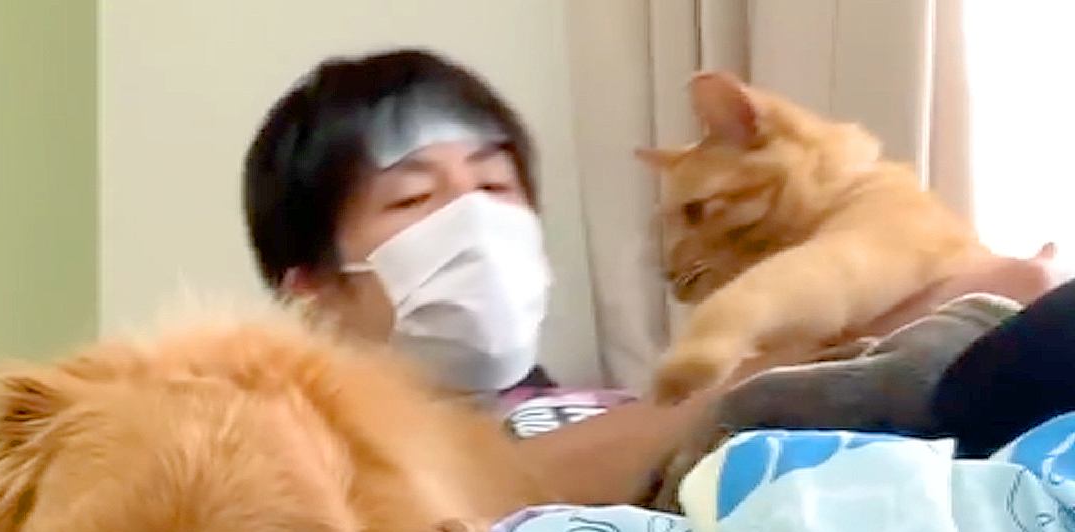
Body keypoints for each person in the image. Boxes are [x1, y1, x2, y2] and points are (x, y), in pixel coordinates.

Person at [242, 48, 1060, 507]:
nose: (476, 222)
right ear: (311, 290)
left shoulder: (606, 403)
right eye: (414, 198)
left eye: (494, 186)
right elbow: (483, 500)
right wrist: (891, 334)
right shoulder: (311, 471)